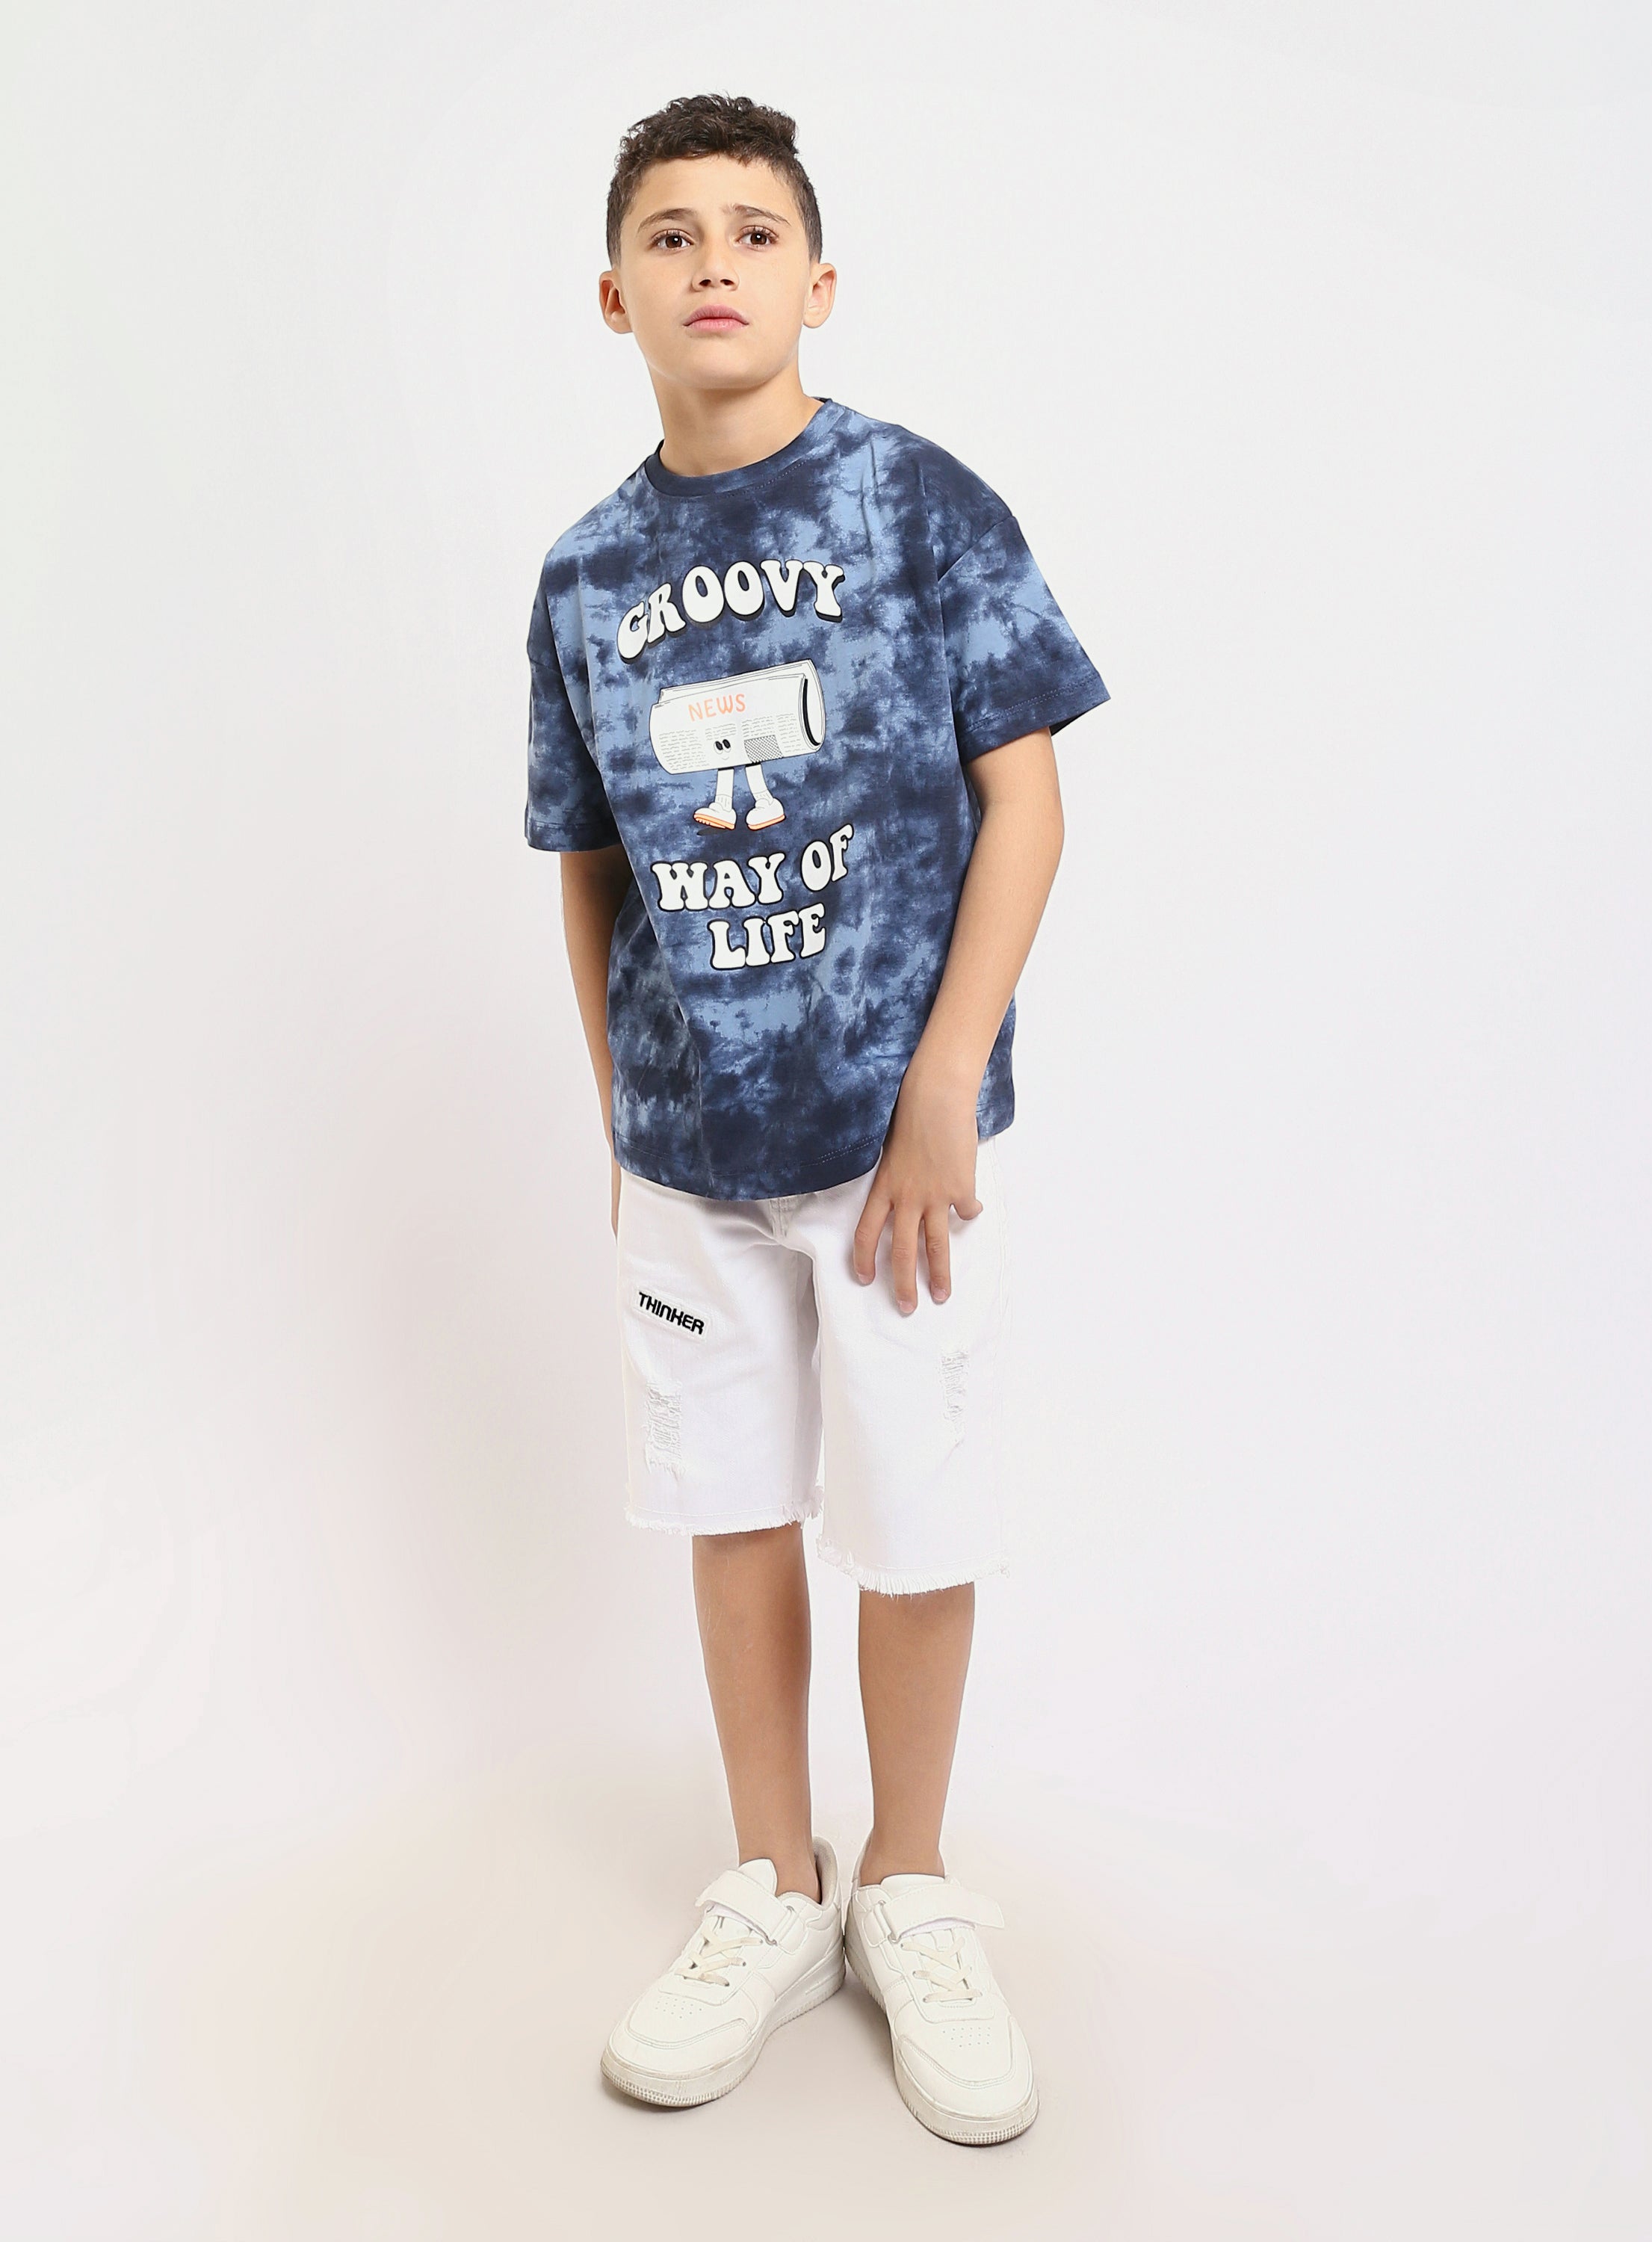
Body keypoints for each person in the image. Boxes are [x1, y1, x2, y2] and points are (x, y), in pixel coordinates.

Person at [525, 92, 1109, 2146]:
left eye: (753, 232)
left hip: (887, 1153)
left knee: (913, 1509)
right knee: (732, 1502)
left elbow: (1026, 797)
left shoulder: (914, 503)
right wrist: (623, 1106)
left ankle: (910, 1889)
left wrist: (944, 1083)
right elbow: (588, 858)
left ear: (819, 281)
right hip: (691, 1158)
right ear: (615, 296)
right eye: (671, 235)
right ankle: (774, 1884)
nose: (715, 264)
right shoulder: (585, 572)